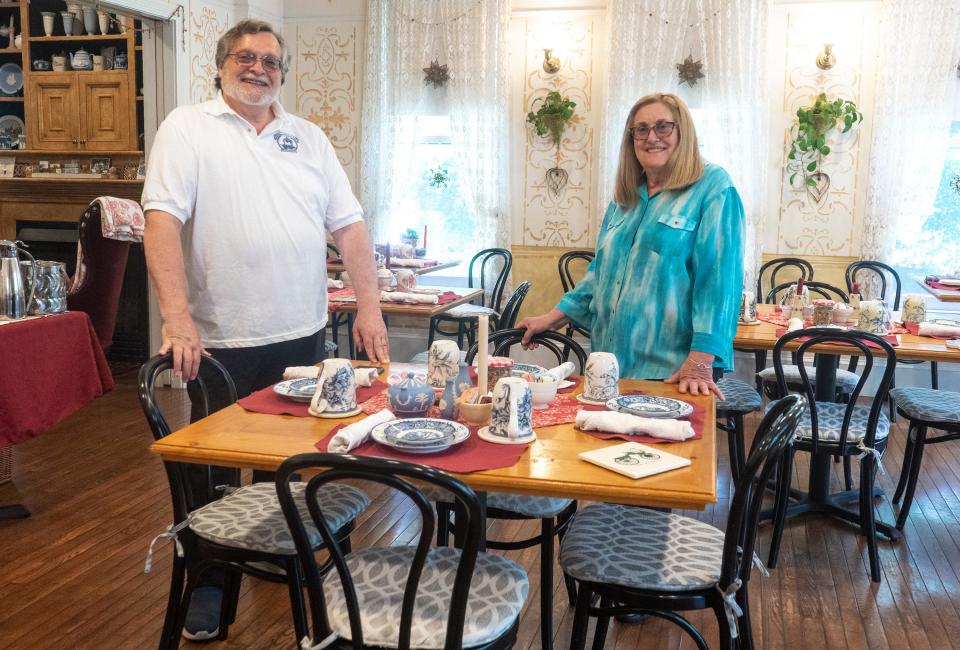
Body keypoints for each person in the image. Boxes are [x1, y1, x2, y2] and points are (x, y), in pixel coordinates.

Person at [141, 19, 388, 641]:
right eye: (246, 58)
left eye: (272, 61)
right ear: (221, 65)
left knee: (292, 461)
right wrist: (176, 318)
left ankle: (287, 554)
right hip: (220, 339)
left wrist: (370, 307)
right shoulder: (187, 128)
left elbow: (350, 226)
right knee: (215, 471)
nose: (260, 69)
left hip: (303, 335)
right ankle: (210, 581)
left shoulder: (307, 137)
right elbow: (162, 222)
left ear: (283, 73)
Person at [519, 92, 744, 398]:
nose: (652, 137)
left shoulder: (713, 186)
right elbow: (600, 274)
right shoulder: (626, 196)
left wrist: (701, 359)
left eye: (663, 127)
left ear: (683, 132)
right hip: (608, 366)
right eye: (641, 129)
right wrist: (553, 317)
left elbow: (719, 281)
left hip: (674, 373)